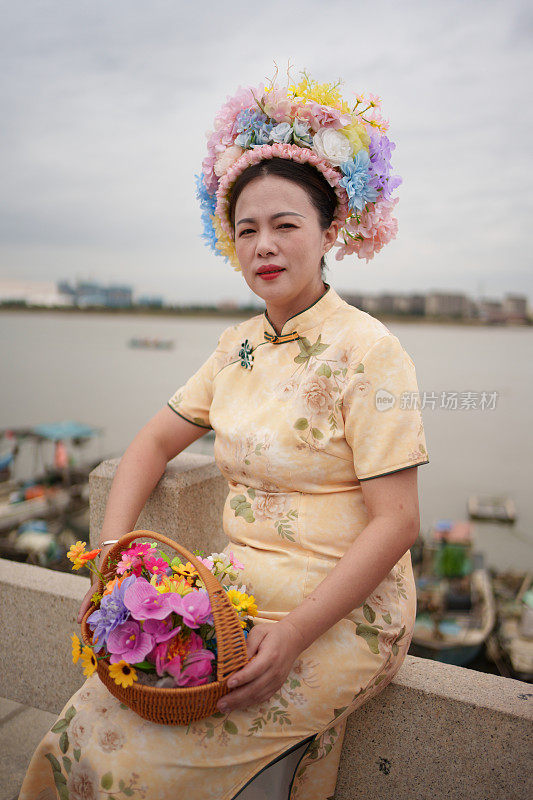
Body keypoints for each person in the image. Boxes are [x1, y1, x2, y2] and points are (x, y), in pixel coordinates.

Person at [19, 70, 429, 800]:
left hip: (341, 605)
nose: (263, 245)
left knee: (134, 767)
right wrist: (113, 559)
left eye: (285, 225)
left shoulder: (371, 351)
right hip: (235, 588)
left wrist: (296, 633)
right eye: (246, 230)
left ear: (329, 231)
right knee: (85, 717)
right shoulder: (235, 347)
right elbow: (149, 445)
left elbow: (398, 522)